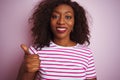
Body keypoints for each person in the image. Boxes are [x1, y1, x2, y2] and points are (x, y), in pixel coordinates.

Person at [17, 0, 97, 80]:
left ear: (75, 23)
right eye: (55, 16)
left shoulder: (86, 53)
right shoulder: (35, 51)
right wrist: (26, 70)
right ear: (48, 21)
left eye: (68, 17)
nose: (61, 22)